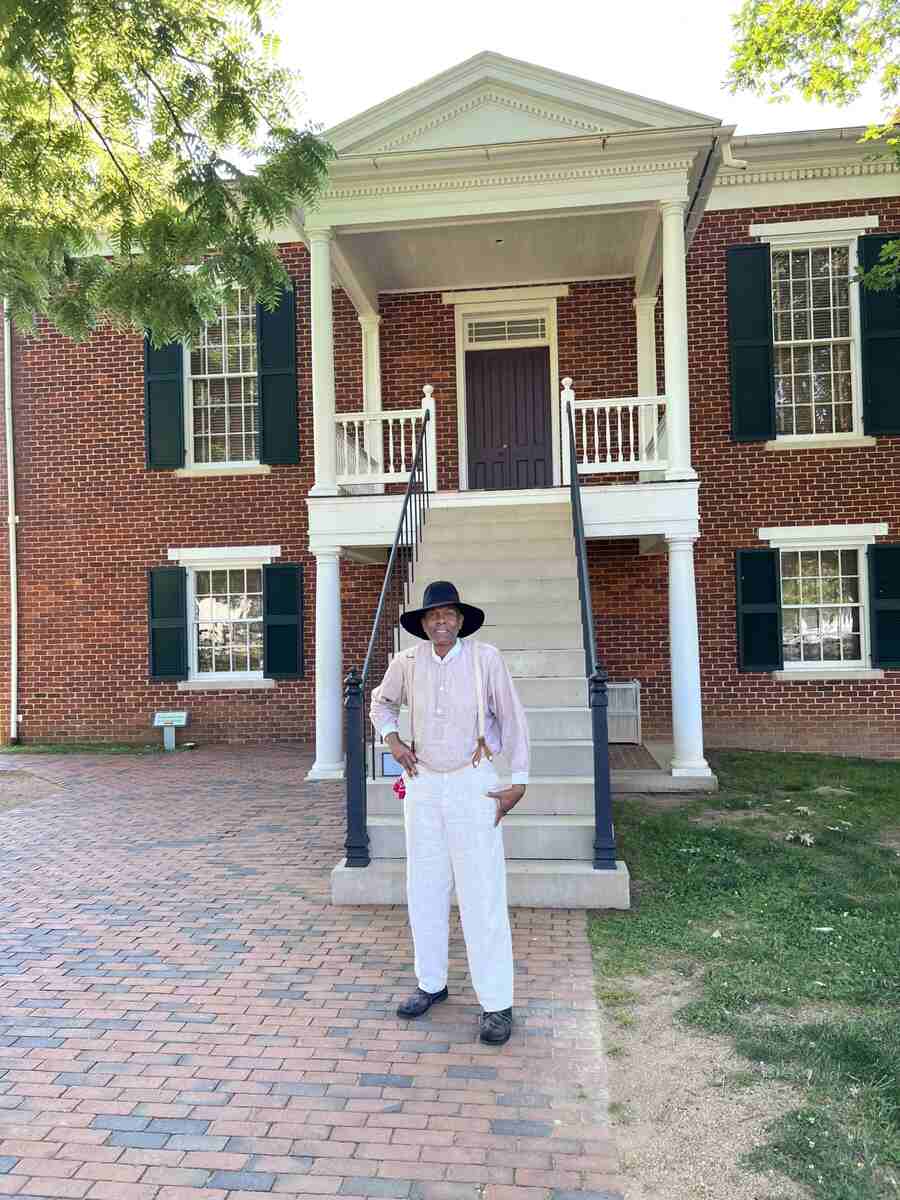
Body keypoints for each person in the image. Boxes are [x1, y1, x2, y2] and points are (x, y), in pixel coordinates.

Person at [370, 580, 530, 1046]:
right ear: (422, 624)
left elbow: (512, 717)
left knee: (481, 891)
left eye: (448, 614)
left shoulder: (486, 660)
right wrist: (393, 740)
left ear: (460, 620)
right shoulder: (406, 663)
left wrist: (517, 780)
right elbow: (381, 704)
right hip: (422, 784)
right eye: (432, 616)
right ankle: (431, 983)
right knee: (424, 885)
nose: (440, 622)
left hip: (472, 783)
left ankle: (497, 1003)